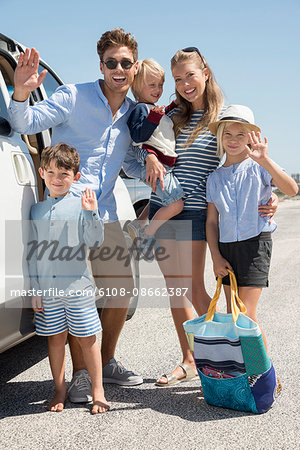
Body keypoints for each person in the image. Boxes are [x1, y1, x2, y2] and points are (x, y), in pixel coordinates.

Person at [8, 28, 143, 402]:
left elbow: (129, 162)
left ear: (134, 67)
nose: (119, 68)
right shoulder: (72, 96)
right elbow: (23, 124)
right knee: (72, 293)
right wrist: (20, 91)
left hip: (104, 211)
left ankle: (106, 359)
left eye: (125, 63)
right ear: (101, 65)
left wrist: (149, 159)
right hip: (67, 213)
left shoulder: (132, 112)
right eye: (111, 62)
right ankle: (82, 375)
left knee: (121, 291)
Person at [139, 47, 278, 386]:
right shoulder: (172, 115)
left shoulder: (221, 116)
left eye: (190, 75)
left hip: (198, 210)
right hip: (163, 207)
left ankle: (225, 354)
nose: (185, 84)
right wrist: (148, 156)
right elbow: (144, 137)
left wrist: (269, 193)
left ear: (205, 72)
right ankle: (190, 360)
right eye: (178, 79)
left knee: (193, 287)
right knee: (175, 290)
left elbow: (243, 160)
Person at [205, 105, 298, 348]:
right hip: (226, 249)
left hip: (255, 243)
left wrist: (265, 159)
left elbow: (291, 189)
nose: (233, 140)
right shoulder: (214, 178)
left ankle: (263, 376)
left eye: (241, 135)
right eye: (228, 134)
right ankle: (245, 375)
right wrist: (215, 257)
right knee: (234, 315)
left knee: (245, 317)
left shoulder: (259, 167)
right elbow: (212, 222)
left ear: (250, 137)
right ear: (220, 136)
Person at [29, 143, 109, 414]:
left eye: (64, 174)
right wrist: (35, 289)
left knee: (87, 338)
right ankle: (59, 388)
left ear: (76, 177)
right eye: (51, 172)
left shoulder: (80, 205)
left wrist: (91, 211)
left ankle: (98, 390)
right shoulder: (37, 211)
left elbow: (94, 241)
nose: (57, 179)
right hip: (48, 291)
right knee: (54, 339)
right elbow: (33, 253)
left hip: (78, 288)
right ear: (41, 173)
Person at [126, 59, 184, 254]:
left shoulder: (152, 109)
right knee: (176, 204)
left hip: (164, 165)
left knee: (162, 198)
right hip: (154, 165)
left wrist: (170, 107)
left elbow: (160, 123)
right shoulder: (140, 109)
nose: (158, 89)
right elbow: (138, 135)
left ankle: (137, 224)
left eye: (160, 85)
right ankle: (148, 232)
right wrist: (154, 117)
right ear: (137, 86)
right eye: (152, 85)